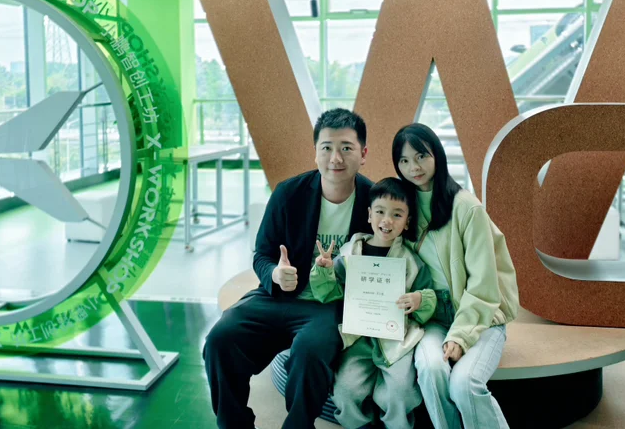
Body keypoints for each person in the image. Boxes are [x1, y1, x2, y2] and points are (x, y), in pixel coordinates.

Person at [203, 108, 375, 429]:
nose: (335, 158)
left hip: (329, 304)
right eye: (326, 147)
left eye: (346, 148)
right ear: (315, 152)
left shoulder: (374, 201)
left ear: (363, 154)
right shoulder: (288, 194)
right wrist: (274, 274)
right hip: (278, 298)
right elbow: (262, 254)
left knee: (310, 352)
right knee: (220, 339)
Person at [392, 123, 520, 429]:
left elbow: (484, 284)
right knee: (431, 370)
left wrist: (460, 337)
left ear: (436, 155)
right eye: (404, 160)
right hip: (433, 318)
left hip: (481, 317)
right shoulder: (403, 210)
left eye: (421, 156)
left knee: (464, 385)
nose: (414, 167)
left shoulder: (466, 208)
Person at [310, 177, 437, 429]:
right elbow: (330, 294)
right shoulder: (349, 254)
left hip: (397, 340)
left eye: (397, 214)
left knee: (400, 392)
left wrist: (419, 300)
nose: (387, 220)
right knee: (345, 391)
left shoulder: (412, 261)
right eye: (380, 212)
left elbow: (426, 299)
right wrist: (324, 270)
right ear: (369, 215)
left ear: (407, 221)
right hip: (357, 339)